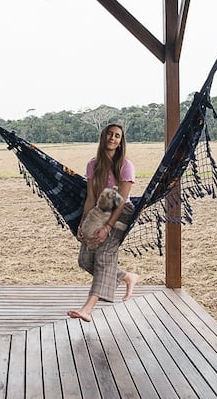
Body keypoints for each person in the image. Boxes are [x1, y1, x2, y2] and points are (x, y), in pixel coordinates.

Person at [67, 124, 139, 322]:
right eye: (109, 134)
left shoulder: (125, 166)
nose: (112, 138)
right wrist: (83, 223)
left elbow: (120, 201)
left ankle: (87, 309)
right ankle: (127, 277)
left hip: (121, 212)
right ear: (103, 136)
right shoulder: (93, 164)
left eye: (117, 136)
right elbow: (90, 198)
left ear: (120, 142)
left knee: (103, 256)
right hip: (100, 209)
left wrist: (107, 228)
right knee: (85, 259)